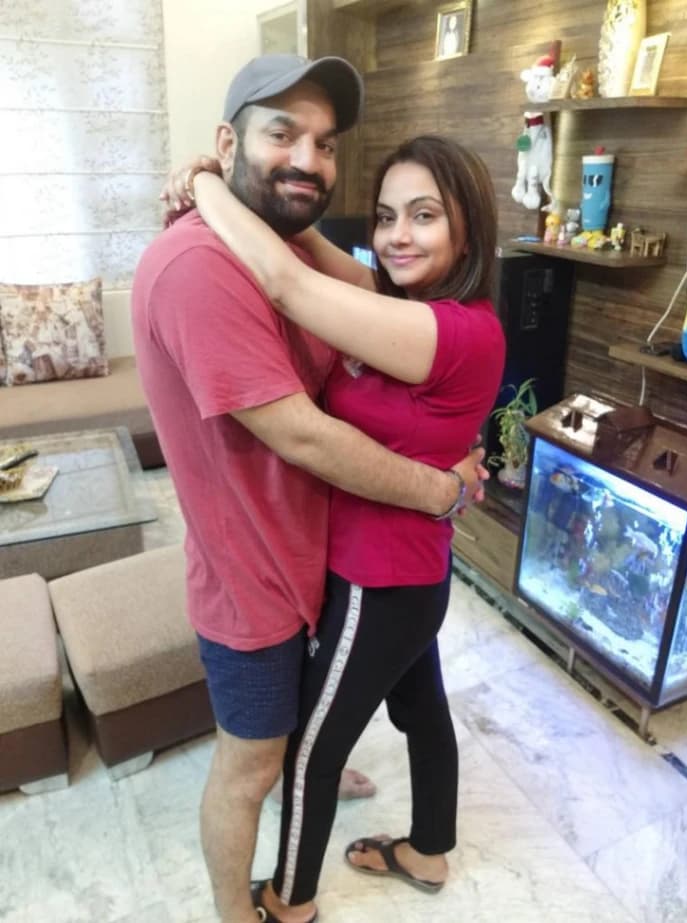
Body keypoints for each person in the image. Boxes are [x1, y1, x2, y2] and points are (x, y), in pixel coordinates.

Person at [134, 54, 488, 923]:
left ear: (467, 231)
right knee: (256, 764)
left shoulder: (333, 273)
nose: (308, 159)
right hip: (262, 580)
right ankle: (240, 910)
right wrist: (439, 487)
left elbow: (314, 281)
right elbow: (299, 429)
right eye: (282, 133)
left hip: (346, 566)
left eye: (325, 144)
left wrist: (211, 184)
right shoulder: (203, 267)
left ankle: (355, 839)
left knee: (346, 723)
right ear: (231, 141)